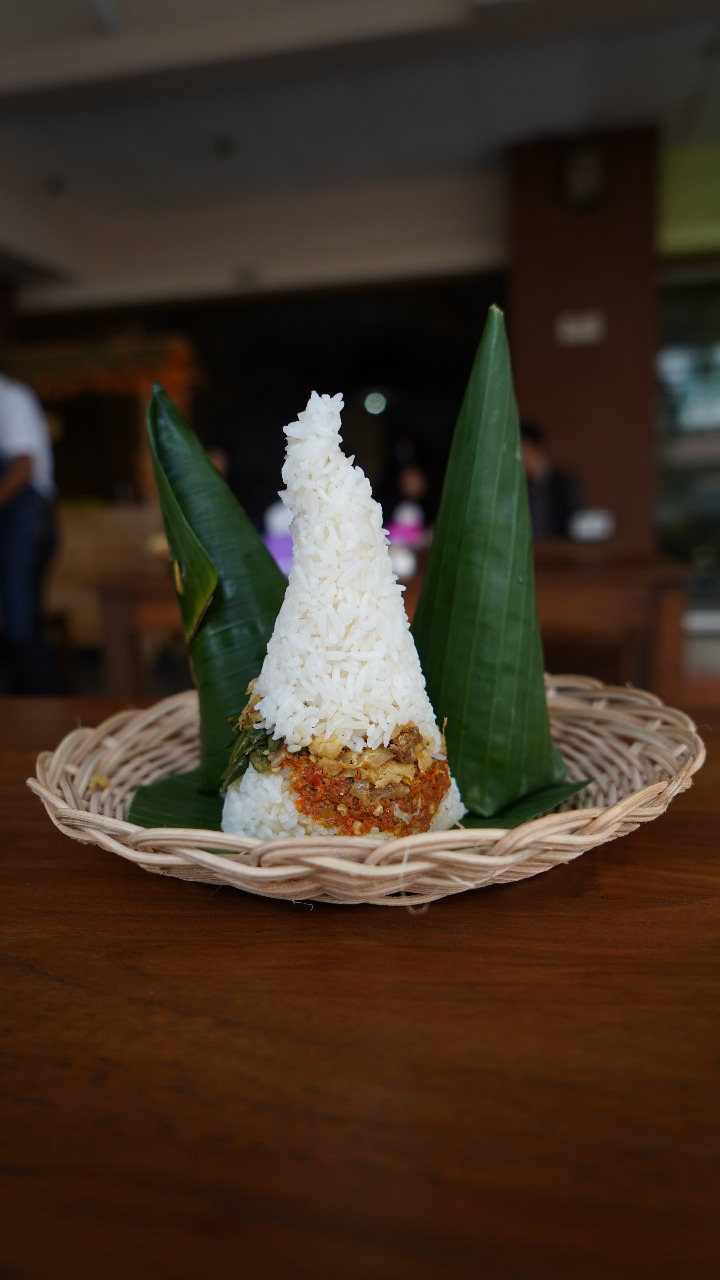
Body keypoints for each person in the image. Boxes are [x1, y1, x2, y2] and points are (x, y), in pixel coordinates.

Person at [0, 370, 60, 693]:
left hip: (26, 524)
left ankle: (47, 714)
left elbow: (24, 467)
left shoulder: (11, 397)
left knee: (21, 622)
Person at [520, 421, 583, 540]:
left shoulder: (566, 483)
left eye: (522, 451)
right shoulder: (520, 487)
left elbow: (575, 524)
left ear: (536, 450)